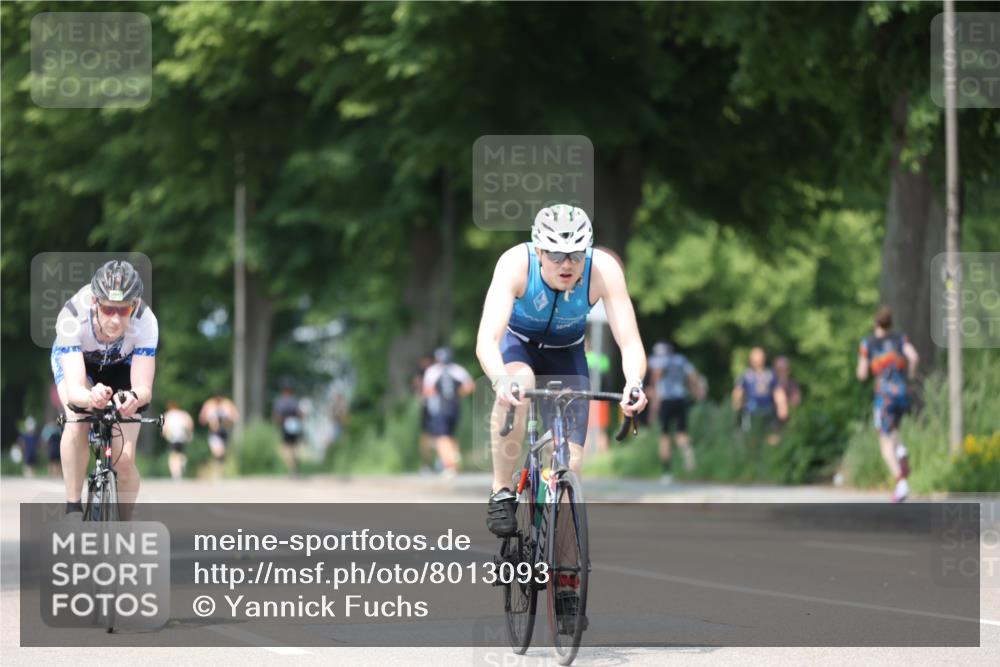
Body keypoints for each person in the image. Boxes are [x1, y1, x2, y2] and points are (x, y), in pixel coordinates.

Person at [476, 204, 648, 631]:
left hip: (569, 356)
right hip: (519, 349)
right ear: (538, 251)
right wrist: (500, 379)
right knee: (519, 382)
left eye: (575, 254)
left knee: (569, 472)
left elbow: (630, 340)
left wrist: (634, 383)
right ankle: (501, 490)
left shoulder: (603, 269)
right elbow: (487, 338)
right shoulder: (515, 264)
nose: (567, 265)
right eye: (556, 255)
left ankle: (567, 584)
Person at [50, 260, 156, 517]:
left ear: (136, 305)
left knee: (126, 461)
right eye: (109, 309)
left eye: (124, 310)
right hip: (80, 366)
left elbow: (144, 389)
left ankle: (124, 525)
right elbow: (75, 390)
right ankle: (73, 507)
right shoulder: (72, 316)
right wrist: (90, 396)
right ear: (95, 302)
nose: (116, 319)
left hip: (122, 366)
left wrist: (131, 397)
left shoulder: (146, 322)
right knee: (77, 420)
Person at [856, 306, 919, 503]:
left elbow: (862, 373)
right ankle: (901, 450)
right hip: (902, 392)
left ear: (876, 323)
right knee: (893, 430)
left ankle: (901, 483)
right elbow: (914, 357)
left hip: (884, 395)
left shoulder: (868, 342)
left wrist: (864, 372)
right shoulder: (900, 338)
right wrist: (910, 375)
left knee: (884, 440)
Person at [648, 342, 703, 483]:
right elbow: (694, 376)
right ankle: (688, 454)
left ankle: (666, 472)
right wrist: (696, 391)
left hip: (666, 400)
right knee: (681, 433)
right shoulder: (681, 360)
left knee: (665, 436)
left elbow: (656, 377)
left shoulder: (659, 361)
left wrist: (654, 404)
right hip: (681, 398)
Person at [422, 347, 475, 477]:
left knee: (441, 437)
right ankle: (454, 461)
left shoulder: (433, 371)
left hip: (439, 408)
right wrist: (457, 394)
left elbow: (427, 391)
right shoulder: (458, 370)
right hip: (455, 407)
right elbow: (470, 386)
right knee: (450, 435)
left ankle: (448, 464)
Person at [731, 347, 788, 446]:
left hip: (768, 411)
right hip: (751, 412)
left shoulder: (770, 374)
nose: (757, 362)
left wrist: (782, 406)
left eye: (759, 359)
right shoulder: (746, 375)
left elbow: (778, 392)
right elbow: (738, 391)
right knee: (751, 438)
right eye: (755, 360)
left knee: (771, 437)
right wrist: (737, 404)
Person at [199, 395, 238, 477]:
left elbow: (235, 417)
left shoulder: (227, 405)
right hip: (214, 433)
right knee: (218, 453)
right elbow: (202, 419)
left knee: (222, 454)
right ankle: (218, 472)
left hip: (223, 432)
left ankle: (220, 472)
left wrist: (228, 420)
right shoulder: (210, 405)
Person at [273, 382, 303, 476]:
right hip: (295, 425)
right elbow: (300, 413)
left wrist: (278, 422)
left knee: (286, 447)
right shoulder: (294, 401)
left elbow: (277, 415)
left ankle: (291, 468)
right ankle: (294, 466)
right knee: (294, 447)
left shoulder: (281, 401)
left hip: (285, 425)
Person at [162, 401, 195, 480]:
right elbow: (189, 423)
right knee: (181, 453)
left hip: (172, 437)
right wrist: (189, 433)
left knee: (173, 455)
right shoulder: (183, 414)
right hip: (182, 436)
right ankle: (182, 463)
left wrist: (165, 434)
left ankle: (175, 472)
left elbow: (164, 426)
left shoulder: (168, 415)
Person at [773, 355, 802, 429]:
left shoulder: (792, 384)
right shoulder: (770, 384)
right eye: (779, 370)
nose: (781, 372)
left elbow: (796, 401)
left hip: (789, 420)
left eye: (784, 369)